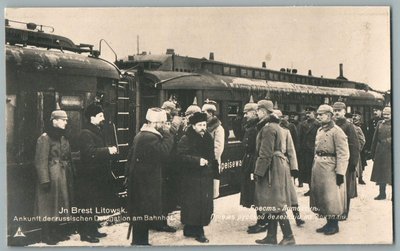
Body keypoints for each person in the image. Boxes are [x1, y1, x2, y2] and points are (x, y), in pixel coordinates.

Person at [126, 108, 175, 245]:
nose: (164, 125)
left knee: (140, 215)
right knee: (143, 214)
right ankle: (140, 244)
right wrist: (168, 135)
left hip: (140, 182)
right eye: (162, 122)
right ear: (154, 123)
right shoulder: (150, 137)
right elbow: (163, 153)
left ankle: (139, 242)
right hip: (145, 184)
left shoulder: (141, 135)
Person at [253, 100, 295, 245]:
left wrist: (258, 172)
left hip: (272, 168)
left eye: (258, 110)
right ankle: (271, 236)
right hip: (277, 165)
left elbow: (265, 153)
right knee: (273, 202)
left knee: (276, 203)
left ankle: (289, 236)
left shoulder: (268, 128)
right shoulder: (275, 126)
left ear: (264, 111)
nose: (256, 113)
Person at [76, 103, 118, 243]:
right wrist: (108, 150)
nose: (103, 118)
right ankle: (85, 234)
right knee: (87, 205)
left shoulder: (95, 130)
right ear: (92, 117)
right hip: (88, 176)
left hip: (96, 175)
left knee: (93, 204)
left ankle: (93, 229)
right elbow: (90, 153)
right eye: (100, 116)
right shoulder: (85, 133)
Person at [34, 109, 74, 245]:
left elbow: (67, 156)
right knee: (47, 206)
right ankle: (46, 235)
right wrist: (44, 180)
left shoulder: (63, 137)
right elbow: (40, 161)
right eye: (63, 120)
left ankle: (56, 232)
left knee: (58, 205)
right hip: (50, 177)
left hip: (61, 176)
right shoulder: (45, 138)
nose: (65, 122)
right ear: (54, 121)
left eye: (66, 120)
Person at [177, 112, 218, 243]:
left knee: (202, 204)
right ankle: (198, 232)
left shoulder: (208, 137)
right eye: (200, 125)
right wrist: (197, 161)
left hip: (205, 176)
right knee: (194, 204)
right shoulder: (186, 138)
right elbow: (180, 157)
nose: (202, 127)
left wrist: (215, 173)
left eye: (204, 124)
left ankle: (190, 228)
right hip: (191, 178)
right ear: (193, 126)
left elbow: (213, 156)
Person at [310, 104, 349, 235]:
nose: (319, 116)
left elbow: (343, 153)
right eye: (318, 114)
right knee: (322, 195)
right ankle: (328, 222)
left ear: (329, 115)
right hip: (319, 166)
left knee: (332, 196)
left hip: (331, 167)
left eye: (321, 114)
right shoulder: (320, 130)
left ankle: (334, 224)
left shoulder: (337, 131)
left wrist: (340, 172)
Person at [239, 97, 267, 234]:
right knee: (254, 192)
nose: (245, 116)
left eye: (247, 113)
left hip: (254, 161)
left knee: (258, 192)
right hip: (250, 160)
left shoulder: (257, 128)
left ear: (255, 113)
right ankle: (261, 220)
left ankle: (263, 222)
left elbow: (258, 148)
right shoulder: (251, 126)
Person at [275, 110, 305, 227]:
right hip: (272, 166)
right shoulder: (266, 130)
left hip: (284, 164)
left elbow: (291, 150)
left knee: (291, 193)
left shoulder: (285, 131)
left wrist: (294, 168)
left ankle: (297, 217)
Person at [332, 102, 360, 220]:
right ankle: (335, 210)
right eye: (335, 110)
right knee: (335, 187)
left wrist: (353, 162)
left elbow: (355, 145)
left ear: (344, 111)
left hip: (346, 161)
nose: (337, 112)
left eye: (339, 110)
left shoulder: (348, 126)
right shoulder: (331, 124)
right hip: (333, 161)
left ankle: (345, 211)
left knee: (346, 187)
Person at [202, 99, 225, 198]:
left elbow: (218, 146)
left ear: (211, 113)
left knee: (212, 189)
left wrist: (212, 159)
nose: (203, 114)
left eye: (205, 112)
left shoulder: (218, 128)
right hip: (204, 159)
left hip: (212, 161)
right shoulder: (203, 125)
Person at [370, 106, 392, 200]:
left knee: (391, 173)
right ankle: (382, 193)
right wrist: (372, 152)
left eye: (388, 114)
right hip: (380, 152)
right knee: (381, 173)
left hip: (391, 152)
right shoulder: (379, 123)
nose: (386, 116)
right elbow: (375, 138)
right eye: (384, 114)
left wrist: (388, 141)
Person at [298, 106, 319, 195]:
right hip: (305, 151)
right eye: (307, 113)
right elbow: (299, 138)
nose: (308, 115)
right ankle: (311, 188)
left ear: (314, 114)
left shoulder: (318, 124)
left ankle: (315, 189)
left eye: (310, 113)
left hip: (314, 151)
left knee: (314, 171)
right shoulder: (302, 125)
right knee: (307, 171)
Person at [346, 113, 366, 186]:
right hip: (345, 150)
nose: (350, 121)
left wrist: (358, 148)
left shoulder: (357, 128)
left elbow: (362, 140)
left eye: (351, 119)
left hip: (355, 150)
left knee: (357, 166)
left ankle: (360, 178)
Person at [353, 112, 368, 184]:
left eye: (356, 116)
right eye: (353, 116)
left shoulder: (362, 125)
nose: (354, 117)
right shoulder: (351, 125)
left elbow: (365, 136)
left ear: (360, 117)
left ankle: (360, 178)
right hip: (355, 147)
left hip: (361, 147)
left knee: (361, 163)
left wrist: (361, 147)